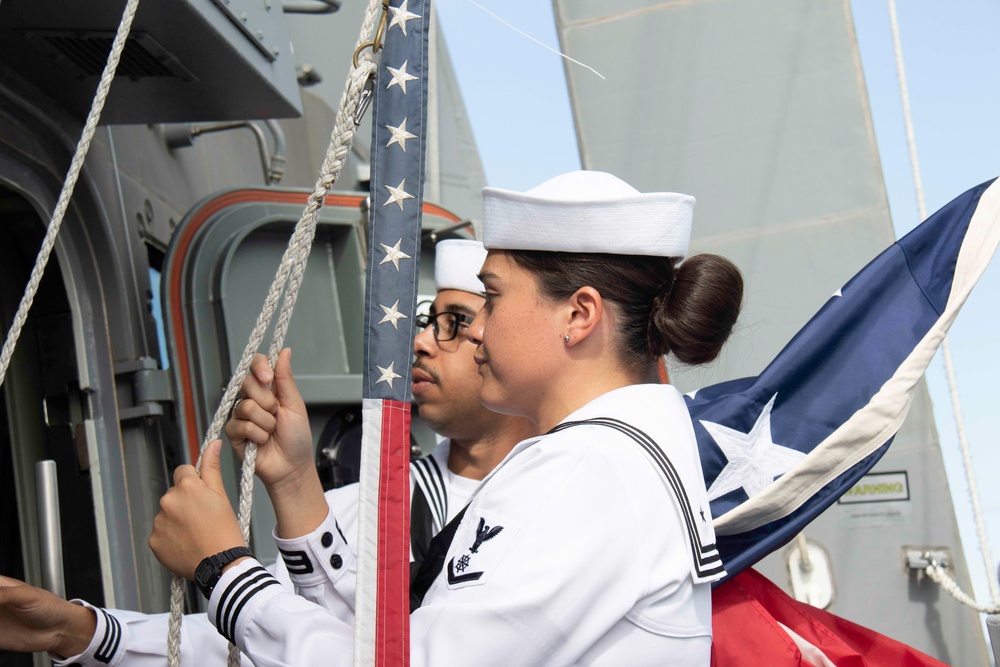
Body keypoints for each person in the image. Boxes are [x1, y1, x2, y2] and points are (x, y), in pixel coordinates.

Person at [144, 170, 745, 665]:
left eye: (495, 296)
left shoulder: (595, 474)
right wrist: (299, 485)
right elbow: (403, 641)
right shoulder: (604, 461)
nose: (478, 327)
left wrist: (223, 570)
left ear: (579, 315)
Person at [0, 239, 533, 665]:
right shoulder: (358, 507)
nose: (419, 342)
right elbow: (248, 635)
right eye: (427, 319)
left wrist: (223, 566)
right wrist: (78, 631)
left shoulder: (558, 506)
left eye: (455, 322)